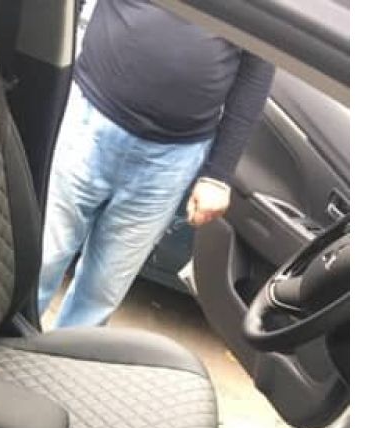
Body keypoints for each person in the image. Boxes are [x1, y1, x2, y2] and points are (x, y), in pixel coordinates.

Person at [38, 0, 275, 328]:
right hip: (89, 118)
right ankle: (0, 347)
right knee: (41, 260)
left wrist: (218, 175)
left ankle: (59, 358)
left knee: (102, 292)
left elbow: (257, 70)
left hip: (171, 159)